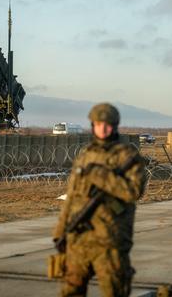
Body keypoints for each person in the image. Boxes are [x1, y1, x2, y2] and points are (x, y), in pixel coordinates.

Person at [53, 103, 147, 297]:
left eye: (107, 124)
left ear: (115, 126)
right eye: (98, 124)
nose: (102, 129)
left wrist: (100, 175)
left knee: (114, 291)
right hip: (79, 239)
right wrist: (60, 232)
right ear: (92, 125)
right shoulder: (86, 155)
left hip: (110, 240)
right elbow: (72, 197)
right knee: (70, 291)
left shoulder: (127, 156)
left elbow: (133, 191)